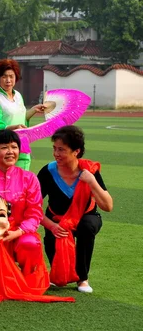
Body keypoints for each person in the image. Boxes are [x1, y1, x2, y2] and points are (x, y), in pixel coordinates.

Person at [0, 129, 49, 293]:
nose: (11, 152)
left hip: (20, 234)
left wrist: (17, 232)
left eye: (14, 147)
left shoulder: (29, 178)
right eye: (4, 147)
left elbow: (35, 213)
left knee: (30, 244)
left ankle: (29, 280)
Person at [38, 126, 113, 293]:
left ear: (76, 151)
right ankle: (60, 275)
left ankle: (82, 278)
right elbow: (32, 206)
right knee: (51, 238)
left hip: (86, 216)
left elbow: (108, 206)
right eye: (54, 149)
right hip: (56, 218)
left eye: (62, 150)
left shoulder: (89, 171)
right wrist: (51, 226)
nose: (56, 154)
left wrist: (92, 182)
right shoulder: (47, 171)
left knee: (87, 227)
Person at [0, 59, 45, 170]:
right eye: (4, 76)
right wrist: (14, 127)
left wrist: (33, 110)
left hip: (22, 144)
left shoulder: (18, 95)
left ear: (16, 77)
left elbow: (21, 119)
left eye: (11, 76)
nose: (8, 80)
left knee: (23, 181)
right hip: (5, 149)